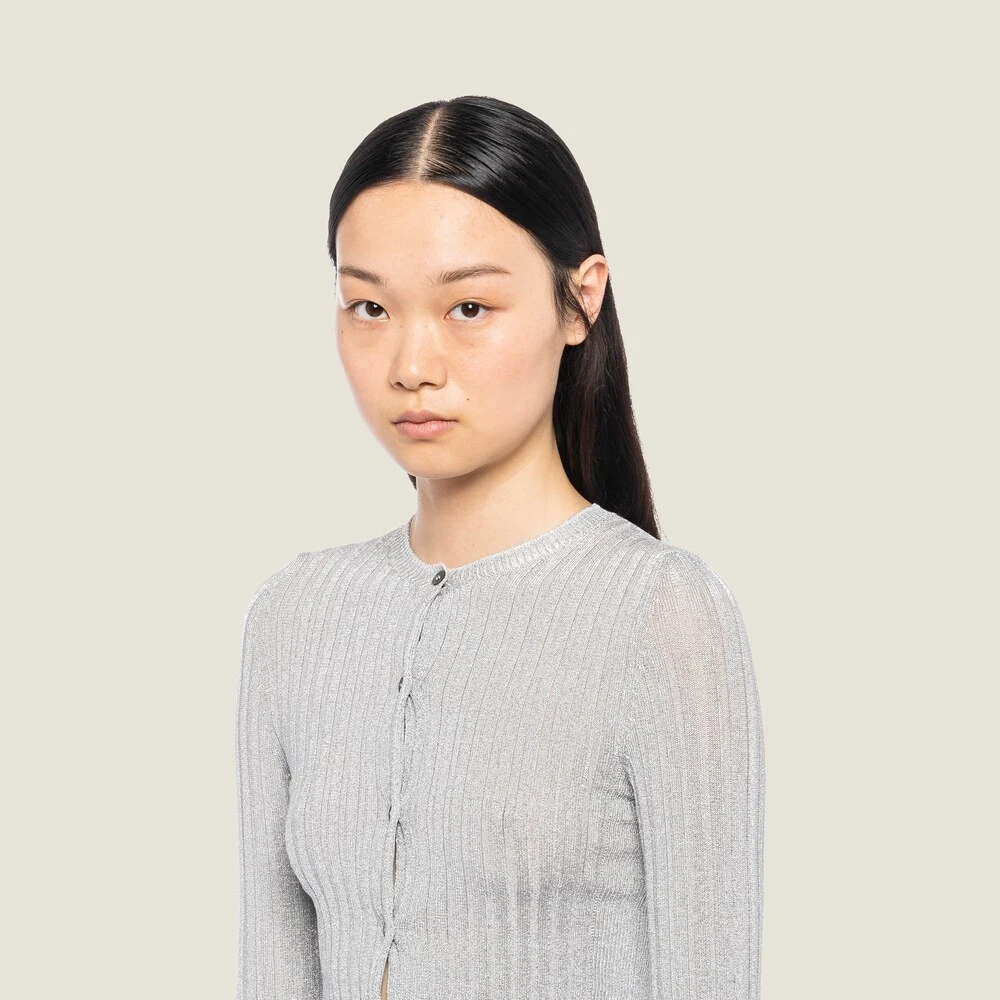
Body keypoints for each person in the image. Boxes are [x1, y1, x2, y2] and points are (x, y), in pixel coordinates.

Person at [235, 95, 765, 1000]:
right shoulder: (295, 616)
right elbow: (271, 972)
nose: (411, 365)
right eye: (369, 306)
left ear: (580, 299)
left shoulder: (660, 616)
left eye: (469, 307)